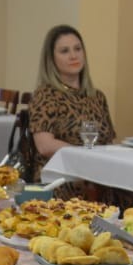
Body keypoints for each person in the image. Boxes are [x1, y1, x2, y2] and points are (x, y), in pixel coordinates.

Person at [28, 25, 117, 186]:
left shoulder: (97, 97)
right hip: (61, 178)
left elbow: (109, 142)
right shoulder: (46, 95)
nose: (73, 56)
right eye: (64, 51)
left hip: (97, 175)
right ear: (51, 59)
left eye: (77, 49)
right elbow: (45, 146)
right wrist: (83, 158)